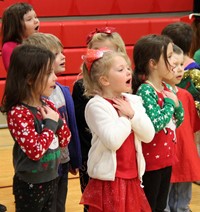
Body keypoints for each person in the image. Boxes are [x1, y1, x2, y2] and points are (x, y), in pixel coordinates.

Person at [79, 48, 155, 211]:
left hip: (133, 178)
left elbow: (148, 135)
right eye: (121, 70)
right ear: (105, 80)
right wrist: (126, 118)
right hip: (110, 181)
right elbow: (113, 141)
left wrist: (133, 115)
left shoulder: (133, 101)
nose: (128, 72)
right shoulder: (96, 105)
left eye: (128, 68)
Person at [0, 44, 71, 212]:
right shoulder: (18, 112)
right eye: (48, 73)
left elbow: (65, 139)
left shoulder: (48, 104)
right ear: (30, 79)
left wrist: (57, 122)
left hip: (53, 177)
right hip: (30, 184)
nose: (55, 78)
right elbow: (35, 151)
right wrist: (51, 124)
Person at [23, 32, 82, 212]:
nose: (63, 56)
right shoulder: (33, 99)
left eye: (62, 52)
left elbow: (71, 128)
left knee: (59, 206)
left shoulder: (63, 91)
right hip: (44, 167)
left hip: (63, 161)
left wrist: (75, 159)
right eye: (56, 54)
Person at [72, 26, 127, 212]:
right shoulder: (81, 87)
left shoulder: (128, 86)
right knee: (95, 204)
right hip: (93, 159)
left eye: (108, 53)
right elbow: (81, 127)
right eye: (97, 53)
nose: (103, 59)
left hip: (124, 160)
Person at [132, 34, 184, 212]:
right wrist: (171, 104)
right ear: (153, 64)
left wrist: (176, 105)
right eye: (168, 57)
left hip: (167, 159)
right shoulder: (146, 90)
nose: (174, 61)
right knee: (150, 206)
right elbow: (155, 124)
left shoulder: (167, 87)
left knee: (161, 205)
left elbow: (180, 119)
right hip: (151, 162)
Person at [163, 44, 200, 212]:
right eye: (174, 65)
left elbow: (192, 128)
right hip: (164, 158)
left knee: (182, 206)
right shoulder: (152, 94)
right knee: (163, 205)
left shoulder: (186, 96)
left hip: (184, 156)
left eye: (181, 65)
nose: (180, 69)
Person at [1, 2, 39, 71]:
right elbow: (16, 73)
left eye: (36, 17)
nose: (36, 21)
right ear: (16, 26)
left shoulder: (39, 42)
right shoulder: (9, 47)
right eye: (29, 19)